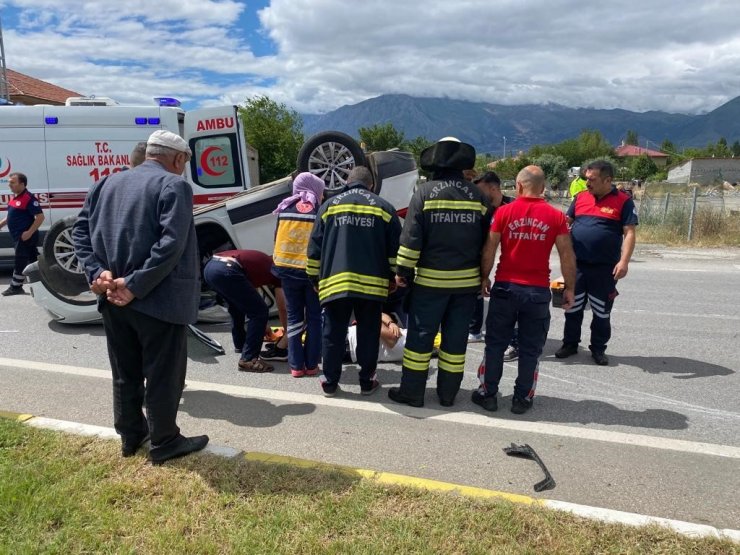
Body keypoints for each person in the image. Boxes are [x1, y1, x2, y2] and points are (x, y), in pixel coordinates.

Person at [72, 130, 208, 464]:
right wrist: (134, 284)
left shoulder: (106, 183)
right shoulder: (174, 186)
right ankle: (164, 441)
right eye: (185, 162)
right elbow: (170, 245)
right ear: (177, 159)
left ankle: (131, 436)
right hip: (156, 300)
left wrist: (97, 273)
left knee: (125, 372)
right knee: (163, 373)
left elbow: (79, 231)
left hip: (112, 299)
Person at [389, 137, 488, 408]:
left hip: (430, 285)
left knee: (421, 339)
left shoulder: (424, 192)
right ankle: (447, 394)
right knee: (455, 342)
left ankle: (412, 392)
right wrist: (483, 274)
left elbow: (411, 239)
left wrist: (403, 272)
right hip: (466, 286)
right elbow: (487, 242)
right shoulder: (478, 196)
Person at [474, 165, 576, 414]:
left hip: (506, 288)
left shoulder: (504, 213)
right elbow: (567, 255)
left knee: (495, 344)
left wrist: (483, 278)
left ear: (518, 186)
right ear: (543, 187)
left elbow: (489, 249)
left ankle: (488, 393)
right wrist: (570, 288)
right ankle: (522, 398)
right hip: (537, 292)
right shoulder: (556, 216)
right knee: (531, 349)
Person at [307, 165, 401, 397]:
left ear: (347, 182)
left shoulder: (328, 207)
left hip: (335, 284)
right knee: (368, 334)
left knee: (333, 333)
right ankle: (367, 382)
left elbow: (314, 249)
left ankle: (330, 382)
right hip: (372, 286)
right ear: (371, 185)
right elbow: (394, 253)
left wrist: (314, 279)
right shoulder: (385, 209)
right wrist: (392, 278)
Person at [555, 160, 638, 365]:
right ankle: (570, 344)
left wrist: (624, 262)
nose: (587, 183)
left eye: (591, 179)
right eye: (586, 178)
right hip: (578, 266)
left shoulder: (624, 201)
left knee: (602, 312)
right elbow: (566, 223)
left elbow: (629, 233)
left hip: (605, 268)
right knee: (572, 308)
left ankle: (598, 349)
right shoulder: (581, 198)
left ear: (607, 179)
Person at [272, 172, 325, 378]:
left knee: (294, 316)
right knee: (314, 317)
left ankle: (295, 366)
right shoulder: (318, 210)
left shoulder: (284, 207)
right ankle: (312, 365)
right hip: (311, 273)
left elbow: (277, 237)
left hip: (286, 270)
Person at [203, 249, 287, 372]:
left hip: (211, 268)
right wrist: (287, 333)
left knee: (237, 307)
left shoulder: (262, 261)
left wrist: (260, 328)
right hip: (227, 269)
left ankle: (241, 344)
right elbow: (283, 308)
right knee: (260, 312)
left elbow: (249, 298)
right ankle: (249, 359)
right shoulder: (279, 272)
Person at [467, 171, 513, 345]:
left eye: (481, 190)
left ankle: (511, 337)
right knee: (476, 291)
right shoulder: (481, 208)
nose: (477, 195)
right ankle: (474, 330)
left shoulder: (512, 206)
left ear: (493, 188)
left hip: (509, 262)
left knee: (507, 300)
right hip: (482, 255)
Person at [0, 172, 45, 296]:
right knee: (34, 259)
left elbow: (40, 217)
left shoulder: (28, 198)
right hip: (18, 236)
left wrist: (29, 232)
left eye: (12, 182)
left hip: (25, 236)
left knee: (20, 260)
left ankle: (16, 286)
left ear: (22, 184)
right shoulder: (15, 198)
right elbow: (9, 217)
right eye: (9, 182)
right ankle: (46, 282)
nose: (9, 185)